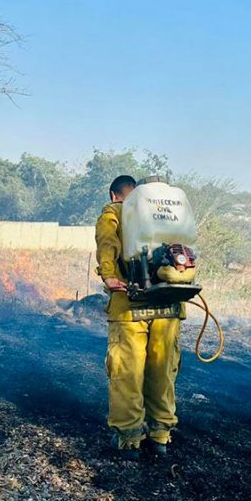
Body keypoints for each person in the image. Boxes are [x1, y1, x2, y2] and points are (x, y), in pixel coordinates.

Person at [95, 174, 184, 460]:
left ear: (114, 195)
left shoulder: (115, 211)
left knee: (127, 373)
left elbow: (107, 242)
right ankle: (160, 436)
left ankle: (130, 440)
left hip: (129, 305)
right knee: (162, 371)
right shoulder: (169, 212)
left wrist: (109, 275)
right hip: (169, 305)